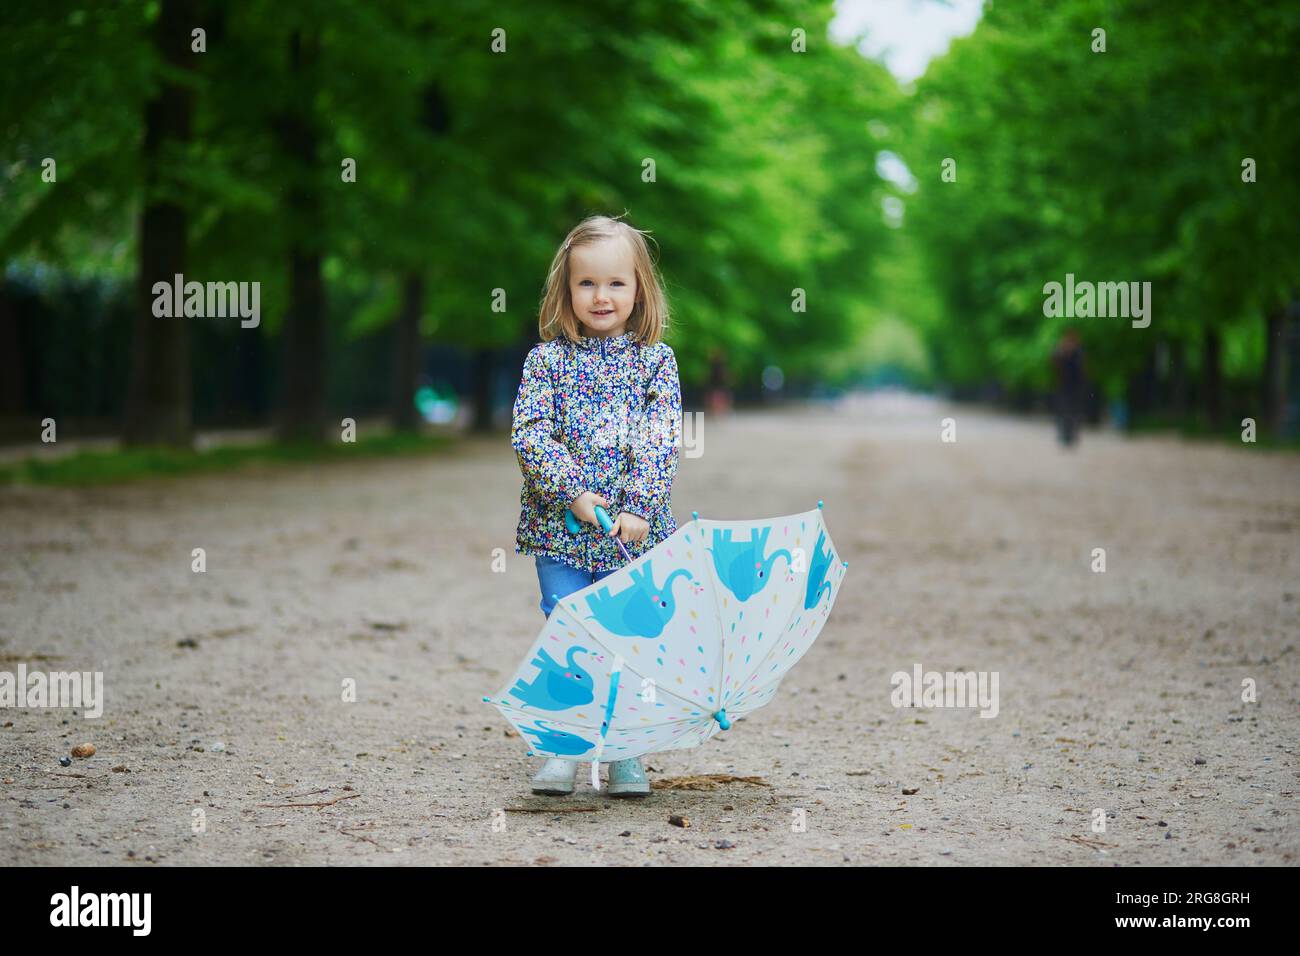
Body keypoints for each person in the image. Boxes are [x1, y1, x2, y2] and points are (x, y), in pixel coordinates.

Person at [510, 214, 682, 797]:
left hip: (630, 533)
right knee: (567, 628)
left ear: (640, 290)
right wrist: (573, 491)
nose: (601, 296)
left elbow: (659, 437)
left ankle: (626, 752)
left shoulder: (655, 362)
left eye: (616, 283)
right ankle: (562, 747)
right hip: (559, 528)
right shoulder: (546, 362)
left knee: (624, 639)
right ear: (566, 291)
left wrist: (637, 506)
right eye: (586, 284)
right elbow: (531, 433)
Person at [1051, 328, 1086, 447]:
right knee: (1063, 410)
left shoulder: (1078, 352)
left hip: (1075, 386)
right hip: (1063, 386)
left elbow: (1081, 368)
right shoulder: (1061, 350)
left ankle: (1072, 435)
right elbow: (1054, 362)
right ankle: (1064, 435)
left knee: (1074, 411)